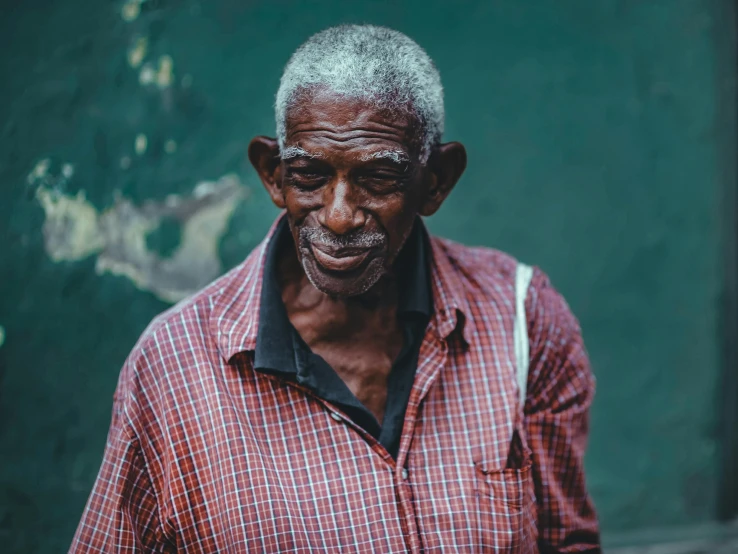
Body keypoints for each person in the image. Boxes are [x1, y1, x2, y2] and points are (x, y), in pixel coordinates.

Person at [71, 24, 600, 553]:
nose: (341, 216)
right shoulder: (172, 368)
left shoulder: (522, 321)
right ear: (273, 175)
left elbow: (567, 541)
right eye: (309, 176)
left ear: (436, 180)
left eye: (378, 179)